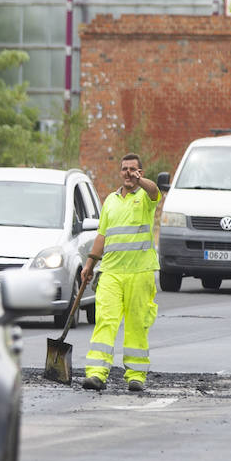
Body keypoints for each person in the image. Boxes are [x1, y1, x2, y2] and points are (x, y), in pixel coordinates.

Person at [79, 152, 160, 392]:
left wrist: (141, 180)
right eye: (124, 169)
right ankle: (96, 373)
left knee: (137, 324)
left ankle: (135, 376)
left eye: (133, 169)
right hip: (112, 273)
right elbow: (102, 236)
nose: (128, 173)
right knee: (105, 321)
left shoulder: (146, 197)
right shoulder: (111, 202)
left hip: (140, 273)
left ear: (140, 172)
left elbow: (155, 190)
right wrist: (89, 265)